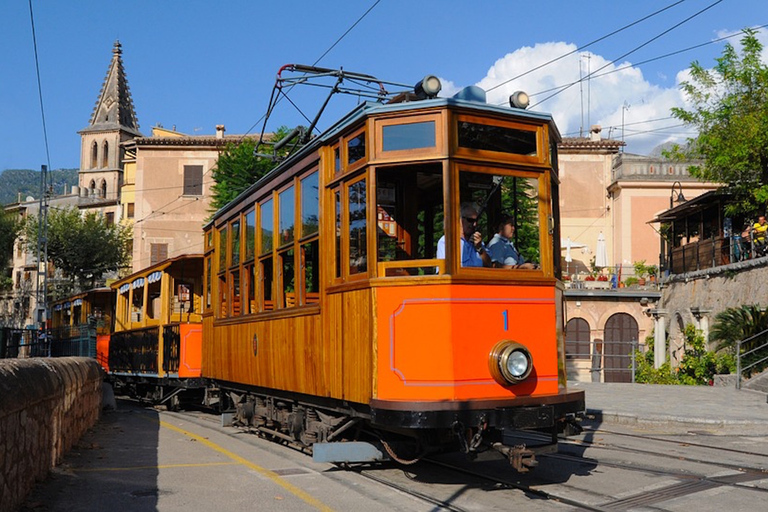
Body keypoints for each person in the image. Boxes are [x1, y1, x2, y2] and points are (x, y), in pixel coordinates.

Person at [436, 202, 491, 267]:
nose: (474, 224)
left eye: (476, 221)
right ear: (458, 220)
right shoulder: (447, 241)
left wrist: (480, 249)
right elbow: (445, 270)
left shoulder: (478, 242)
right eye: (470, 220)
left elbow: (489, 265)